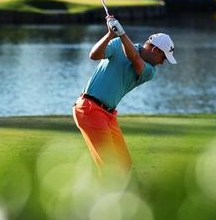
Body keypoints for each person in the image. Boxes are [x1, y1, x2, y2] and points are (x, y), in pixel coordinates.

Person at [72, 15, 176, 171]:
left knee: (124, 164)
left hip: (108, 115)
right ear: (155, 49)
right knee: (110, 166)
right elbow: (93, 55)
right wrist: (110, 35)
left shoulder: (150, 71)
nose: (163, 63)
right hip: (89, 108)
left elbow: (133, 57)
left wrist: (121, 33)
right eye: (164, 57)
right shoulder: (117, 43)